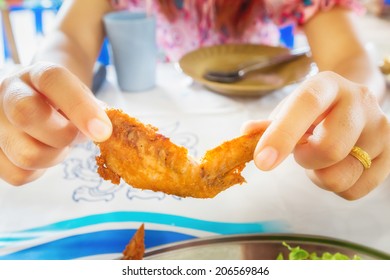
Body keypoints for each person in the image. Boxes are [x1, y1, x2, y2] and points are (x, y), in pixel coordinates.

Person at [0, 0, 388, 201]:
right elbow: (67, 40)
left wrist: (353, 99)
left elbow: (350, 58)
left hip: (275, 133)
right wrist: (41, 82)